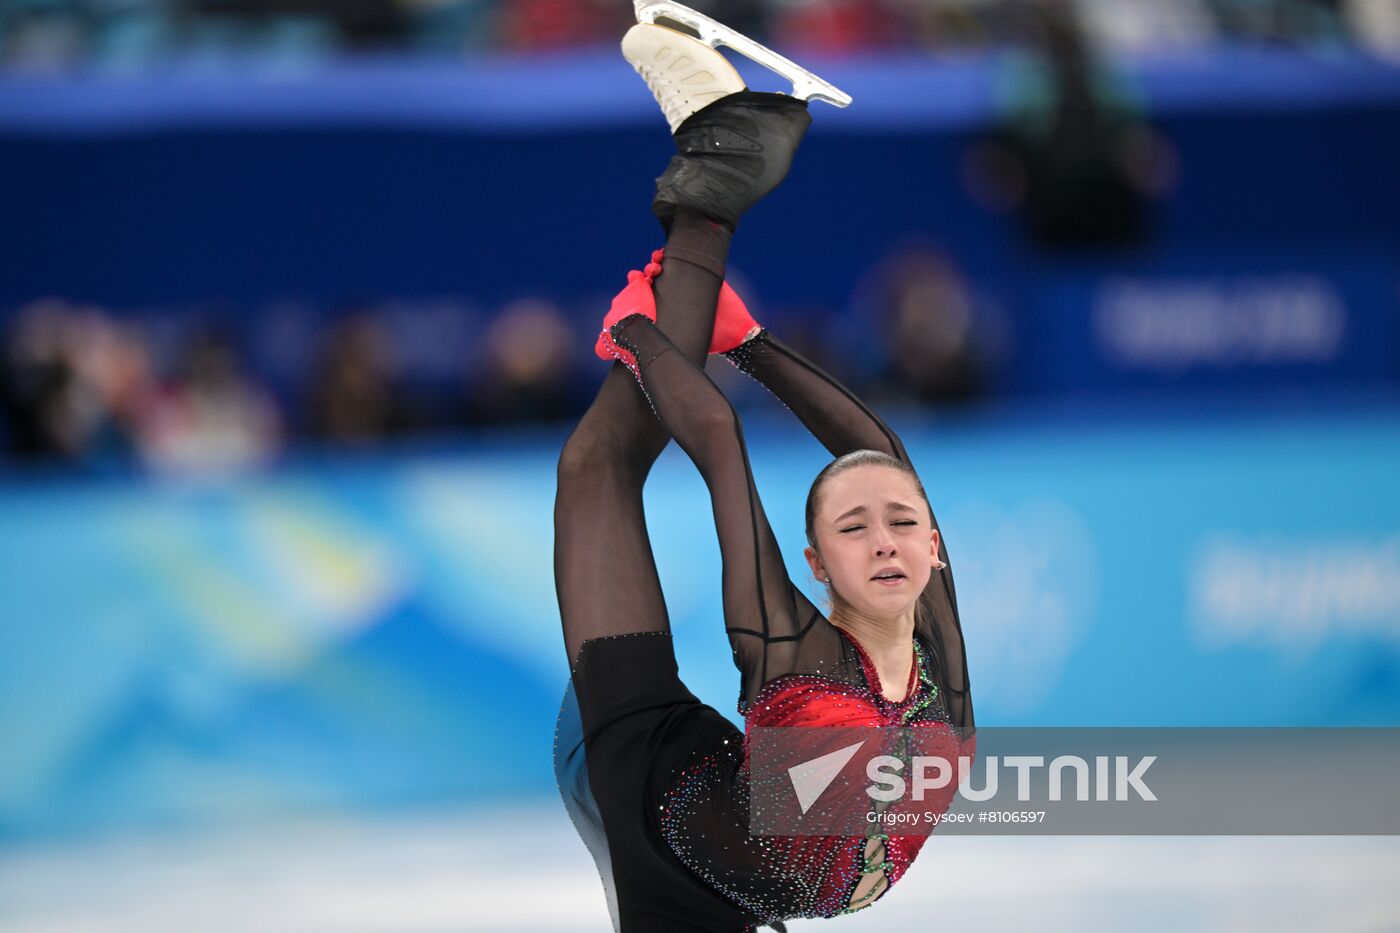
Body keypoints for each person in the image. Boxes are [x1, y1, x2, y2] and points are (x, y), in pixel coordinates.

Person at [554, 11, 974, 932]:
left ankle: (720, 160)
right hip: (663, 796)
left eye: (902, 525)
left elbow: (878, 457)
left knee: (602, 461)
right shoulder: (799, 650)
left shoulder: (931, 634)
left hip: (728, 852)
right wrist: (646, 339)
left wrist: (736, 342)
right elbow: (715, 446)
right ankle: (716, 170)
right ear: (816, 565)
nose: (888, 540)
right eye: (855, 529)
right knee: (598, 468)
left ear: (935, 544)